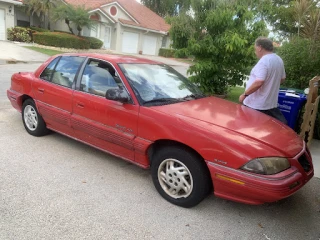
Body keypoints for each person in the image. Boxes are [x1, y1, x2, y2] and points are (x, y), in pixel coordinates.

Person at [239, 37, 287, 124]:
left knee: (251, 129)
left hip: (256, 105)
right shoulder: (279, 60)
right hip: (270, 105)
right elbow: (282, 79)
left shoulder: (264, 61)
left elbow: (259, 82)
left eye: (255, 49)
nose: (255, 51)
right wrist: (270, 85)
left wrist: (244, 94)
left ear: (260, 47)